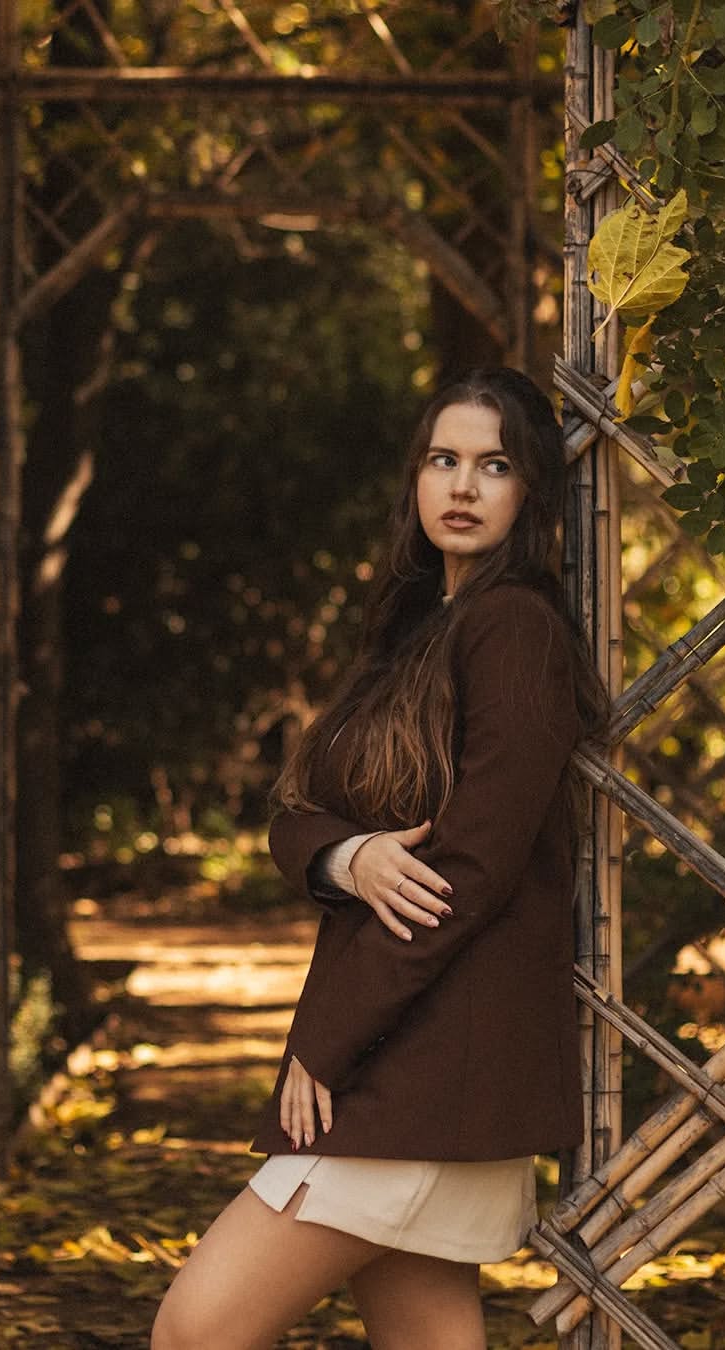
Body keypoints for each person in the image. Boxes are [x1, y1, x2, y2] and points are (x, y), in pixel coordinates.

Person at [151, 367, 609, 1350]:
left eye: (494, 465)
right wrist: (347, 856)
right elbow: (297, 815)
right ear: (414, 477)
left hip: (430, 1065)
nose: (462, 485)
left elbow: (469, 877)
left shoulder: (516, 630)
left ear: (531, 492)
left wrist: (326, 1038)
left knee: (199, 1329)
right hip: (412, 1065)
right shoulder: (412, 631)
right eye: (443, 459)